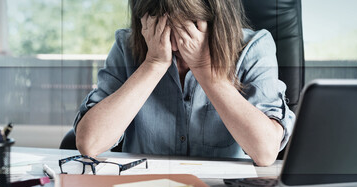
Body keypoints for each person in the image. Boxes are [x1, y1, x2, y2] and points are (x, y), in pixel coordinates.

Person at [74, 0, 295, 166]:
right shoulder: (127, 45)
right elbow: (90, 143)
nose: (176, 44)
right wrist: (153, 64)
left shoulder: (253, 47)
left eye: (186, 28)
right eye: (161, 27)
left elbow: (265, 152)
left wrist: (204, 71)